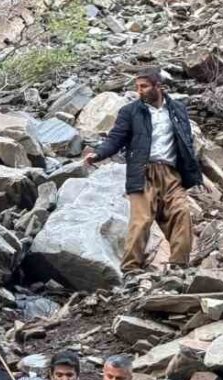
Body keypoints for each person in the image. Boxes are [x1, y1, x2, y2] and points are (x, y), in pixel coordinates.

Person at [84, 67, 201, 273]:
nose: (139, 91)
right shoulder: (130, 111)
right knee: (141, 221)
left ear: (158, 87)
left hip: (171, 173)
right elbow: (116, 138)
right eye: (137, 87)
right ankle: (131, 269)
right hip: (142, 172)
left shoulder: (178, 109)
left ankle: (179, 266)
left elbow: (186, 143)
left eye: (144, 86)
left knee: (182, 213)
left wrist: (195, 174)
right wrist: (99, 154)